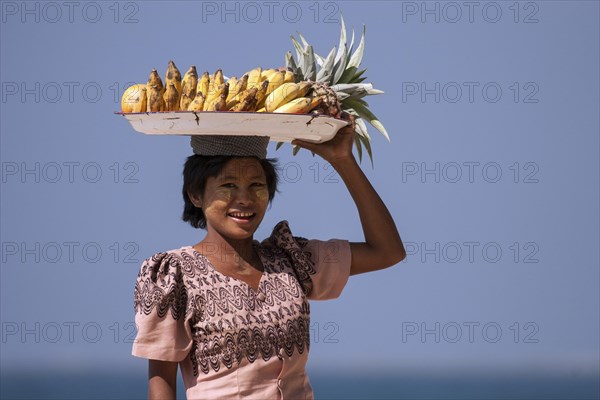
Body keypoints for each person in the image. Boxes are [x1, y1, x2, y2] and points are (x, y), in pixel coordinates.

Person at [132, 118, 406, 399]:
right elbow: (162, 382)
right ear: (196, 195)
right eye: (228, 185)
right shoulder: (173, 275)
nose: (244, 199)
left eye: (256, 185)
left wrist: (342, 160)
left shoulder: (290, 259)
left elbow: (388, 251)